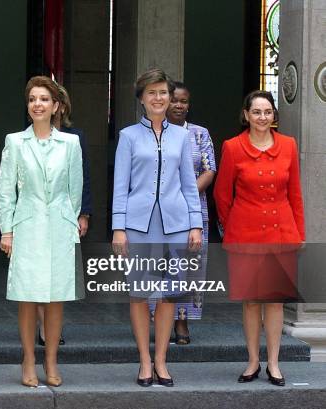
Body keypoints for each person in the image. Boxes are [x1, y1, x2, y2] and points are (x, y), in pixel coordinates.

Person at [112, 68, 202, 387]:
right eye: (152, 92)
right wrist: (118, 228)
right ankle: (144, 361)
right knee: (138, 294)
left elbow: (190, 185)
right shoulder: (128, 136)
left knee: (170, 295)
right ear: (141, 99)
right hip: (137, 225)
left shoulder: (182, 136)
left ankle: (162, 360)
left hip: (176, 225)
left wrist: (195, 223)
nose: (159, 98)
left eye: (163, 92)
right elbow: (120, 185)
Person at [214, 90, 305, 387]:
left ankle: (274, 364)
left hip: (282, 233)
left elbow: (295, 195)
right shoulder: (232, 147)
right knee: (252, 301)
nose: (262, 117)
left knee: (275, 302)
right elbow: (222, 195)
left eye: (267, 112)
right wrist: (235, 228)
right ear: (246, 115)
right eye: (256, 112)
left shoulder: (289, 146)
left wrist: (299, 234)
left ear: (274, 115)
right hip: (245, 236)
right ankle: (253, 361)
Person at [0, 75, 83, 388]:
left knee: (56, 297)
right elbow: (6, 190)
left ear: (56, 106)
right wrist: (7, 230)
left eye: (44, 99)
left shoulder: (70, 143)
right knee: (28, 296)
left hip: (59, 226)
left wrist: (69, 224)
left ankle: (51, 360)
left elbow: (75, 190)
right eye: (33, 99)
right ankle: (29, 359)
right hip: (27, 225)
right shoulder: (15, 142)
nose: (38, 104)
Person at [148, 81, 217, 344]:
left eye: (184, 101)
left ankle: (182, 321)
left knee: (190, 267)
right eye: (175, 100)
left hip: (193, 214)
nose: (179, 105)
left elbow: (210, 169)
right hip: (158, 213)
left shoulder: (200, 134)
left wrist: (183, 196)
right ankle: (159, 319)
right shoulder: (154, 133)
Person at [36, 83, 92, 346]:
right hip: (36, 216)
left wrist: (84, 214)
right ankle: (42, 328)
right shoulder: (29, 136)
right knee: (37, 273)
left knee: (59, 275)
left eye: (52, 100)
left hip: (65, 215)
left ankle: (54, 326)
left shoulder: (75, 137)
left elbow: (84, 179)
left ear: (61, 106)